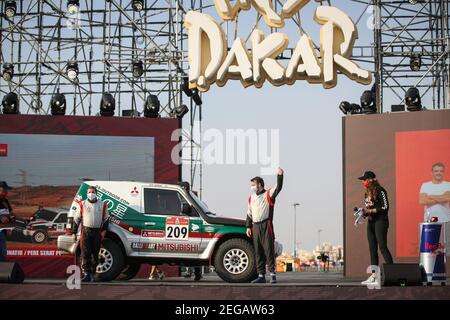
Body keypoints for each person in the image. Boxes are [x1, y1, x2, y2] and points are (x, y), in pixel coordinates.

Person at [246, 167, 284, 284]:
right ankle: (261, 275)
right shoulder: (251, 197)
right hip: (255, 226)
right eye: (251, 184)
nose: (252, 186)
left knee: (269, 250)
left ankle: (272, 275)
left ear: (260, 185)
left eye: (253, 184)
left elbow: (278, 187)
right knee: (258, 251)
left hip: (266, 225)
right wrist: (248, 226)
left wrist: (280, 176)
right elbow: (249, 213)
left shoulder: (268, 194)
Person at [358, 171, 393, 286]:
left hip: (381, 221)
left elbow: (385, 207)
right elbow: (368, 209)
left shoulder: (380, 190)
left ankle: (392, 274)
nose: (362, 182)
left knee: (382, 247)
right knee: (372, 249)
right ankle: (374, 276)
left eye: (364, 180)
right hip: (371, 223)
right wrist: (362, 214)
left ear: (370, 180)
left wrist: (371, 211)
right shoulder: (366, 193)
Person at [71, 186, 110, 282]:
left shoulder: (102, 205)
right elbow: (76, 219)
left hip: (97, 232)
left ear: (96, 193)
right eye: (89, 192)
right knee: (85, 253)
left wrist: (104, 231)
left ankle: (92, 274)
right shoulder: (82, 204)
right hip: (86, 232)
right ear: (87, 193)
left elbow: (106, 218)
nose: (91, 193)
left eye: (93, 192)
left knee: (95, 254)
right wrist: (74, 232)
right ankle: (87, 274)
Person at [419, 162, 450, 255]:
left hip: (446, 220)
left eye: (441, 171)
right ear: (432, 172)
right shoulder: (425, 185)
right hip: (429, 221)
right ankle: (431, 269)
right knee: (430, 247)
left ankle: (447, 268)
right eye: (436, 171)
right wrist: (441, 197)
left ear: (444, 172)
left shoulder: (448, 184)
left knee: (446, 248)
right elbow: (422, 201)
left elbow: (447, 199)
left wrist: (431, 196)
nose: (438, 173)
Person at [0, 182, 14, 262]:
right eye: (5, 190)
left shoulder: (5, 201)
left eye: (7, 190)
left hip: (3, 230)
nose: (6, 192)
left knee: (3, 252)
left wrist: (10, 226)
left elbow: (10, 213)